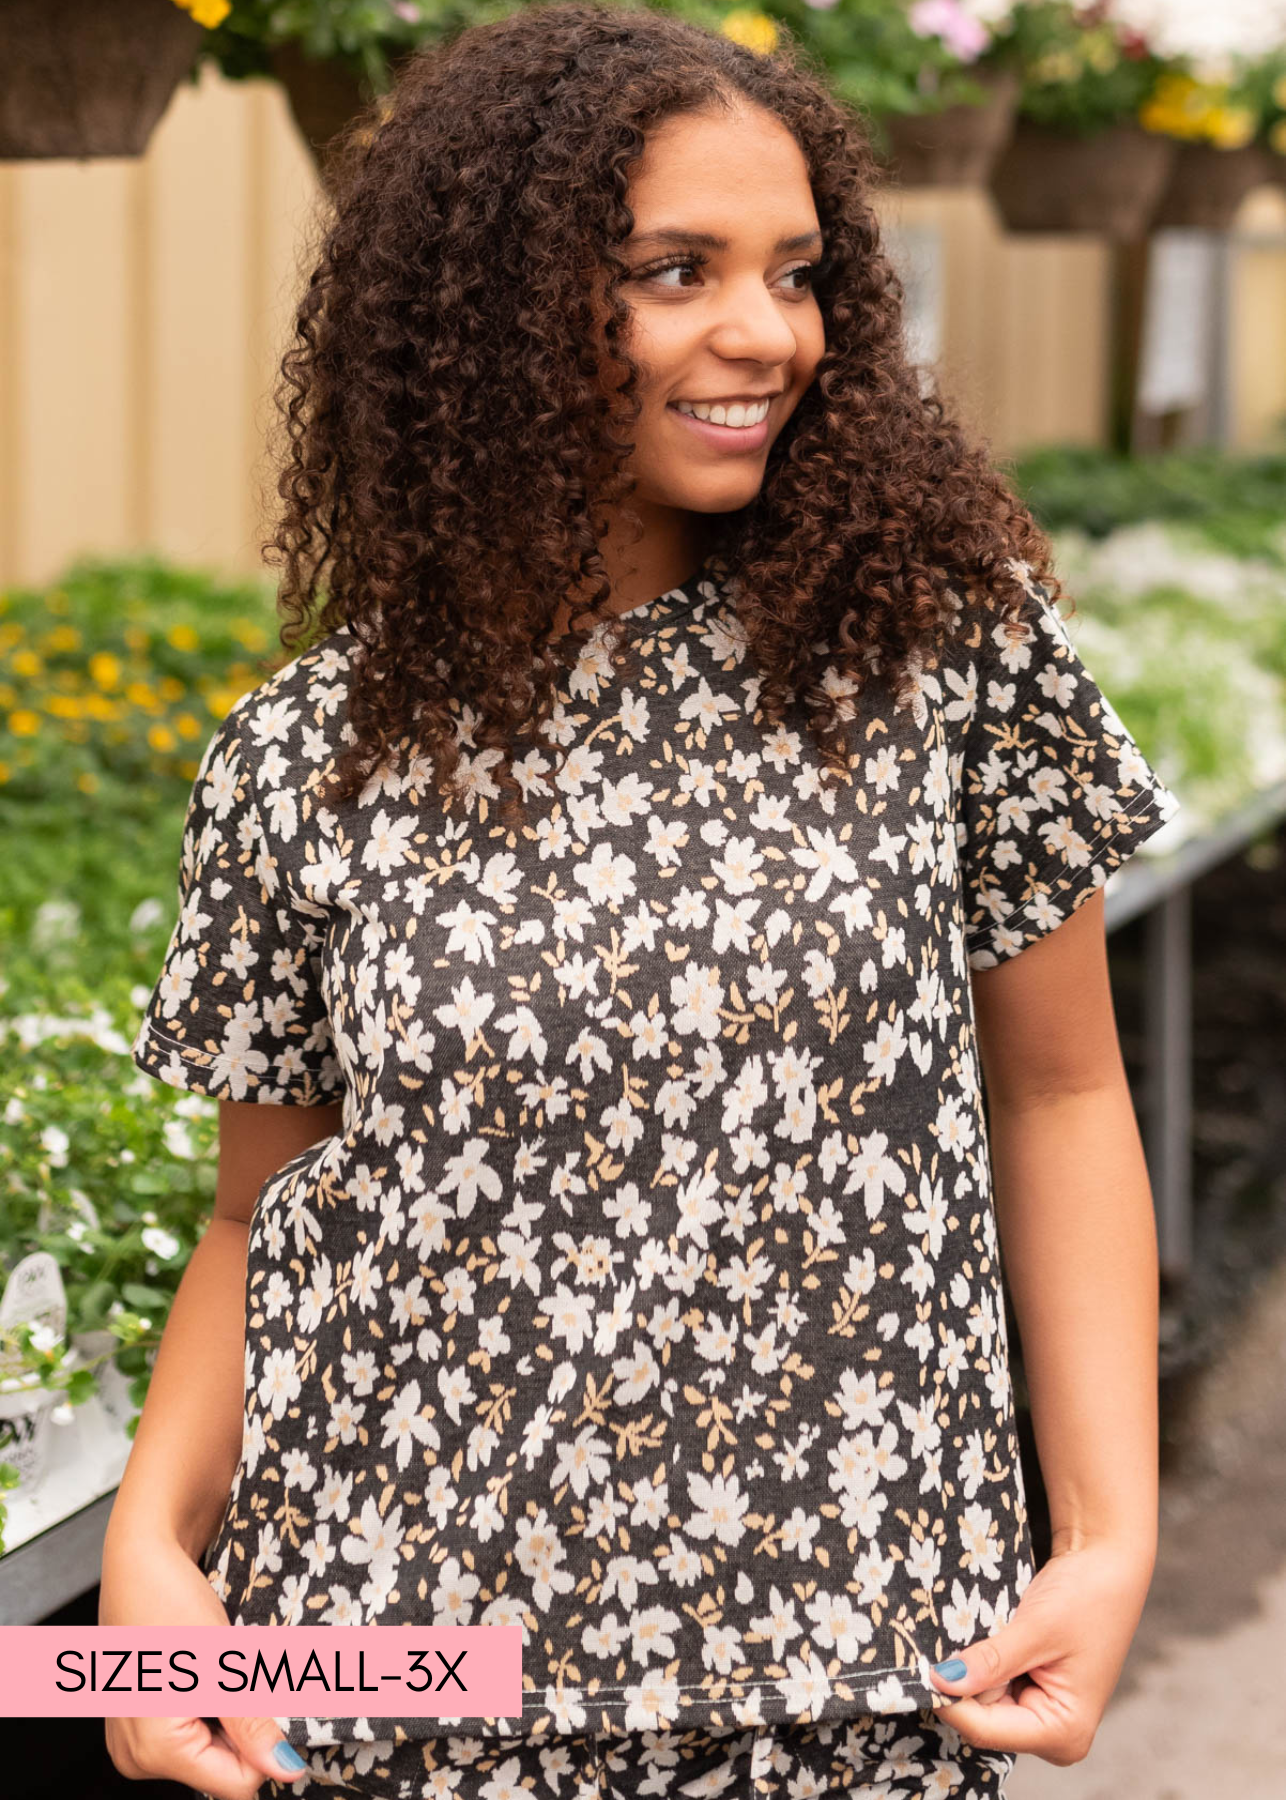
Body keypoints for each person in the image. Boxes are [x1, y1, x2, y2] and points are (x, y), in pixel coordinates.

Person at [100, 6, 1179, 1798]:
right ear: (489, 317)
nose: (763, 334)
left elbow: (1059, 1093)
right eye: (674, 271)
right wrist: (149, 1570)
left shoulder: (931, 662)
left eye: (796, 273)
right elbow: (261, 1214)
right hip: (390, 1689)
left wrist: (1106, 1535)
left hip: (850, 1683)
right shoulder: (308, 753)